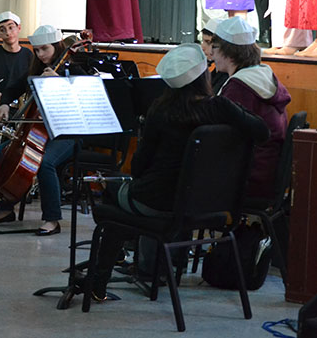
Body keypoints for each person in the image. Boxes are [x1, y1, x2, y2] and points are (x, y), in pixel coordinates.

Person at [87, 43, 269, 301]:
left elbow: (139, 169)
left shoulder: (160, 111)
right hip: (211, 208)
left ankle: (101, 279)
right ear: (203, 76)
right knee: (130, 196)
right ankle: (149, 266)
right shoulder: (221, 108)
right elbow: (262, 131)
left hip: (160, 205)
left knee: (113, 196)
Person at [0, 25, 85, 236]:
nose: (40, 55)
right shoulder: (37, 69)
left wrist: (61, 83)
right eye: (36, 50)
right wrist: (4, 102)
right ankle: (6, 209)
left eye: (44, 49)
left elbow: (85, 99)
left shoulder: (74, 70)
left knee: (45, 163)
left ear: (57, 47)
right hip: (38, 132)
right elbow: (13, 87)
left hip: (68, 134)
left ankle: (52, 219)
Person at [212, 16, 291, 200]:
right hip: (266, 173)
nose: (212, 55)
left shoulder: (239, 88)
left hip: (249, 177)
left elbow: (219, 137)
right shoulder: (264, 76)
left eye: (214, 48)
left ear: (228, 52)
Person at [199, 18, 228, 94]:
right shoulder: (214, 73)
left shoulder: (228, 78)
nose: (203, 47)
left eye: (208, 42)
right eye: (202, 41)